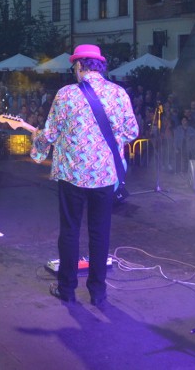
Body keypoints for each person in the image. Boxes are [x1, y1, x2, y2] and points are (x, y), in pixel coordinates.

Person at [30, 45, 138, 306]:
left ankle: (67, 289)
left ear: (79, 66)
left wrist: (38, 143)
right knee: (100, 233)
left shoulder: (66, 94)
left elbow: (51, 133)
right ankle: (98, 293)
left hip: (73, 175)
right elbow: (132, 130)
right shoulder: (118, 93)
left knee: (70, 231)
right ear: (99, 66)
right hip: (104, 176)